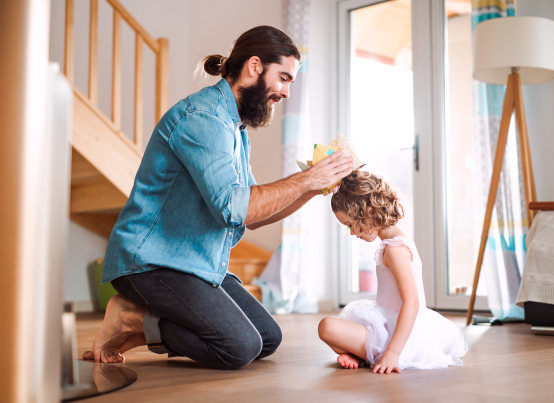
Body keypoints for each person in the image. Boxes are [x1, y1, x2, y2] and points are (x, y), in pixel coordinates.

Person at [83, 25, 355, 369]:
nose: (286, 92)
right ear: (255, 66)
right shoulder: (203, 118)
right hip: (151, 262)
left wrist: (313, 188)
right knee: (238, 347)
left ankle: (143, 320)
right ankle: (132, 320)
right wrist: (306, 178)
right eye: (283, 78)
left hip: (195, 261)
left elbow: (252, 214)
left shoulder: (234, 129)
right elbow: (234, 208)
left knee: (267, 338)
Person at [318, 170, 468, 374]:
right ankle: (362, 353)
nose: (352, 232)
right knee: (332, 326)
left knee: (327, 327)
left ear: (369, 211)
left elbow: (412, 302)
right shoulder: (392, 244)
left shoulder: (396, 250)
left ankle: (375, 353)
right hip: (387, 324)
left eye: (351, 225)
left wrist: (393, 352)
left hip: (404, 336)